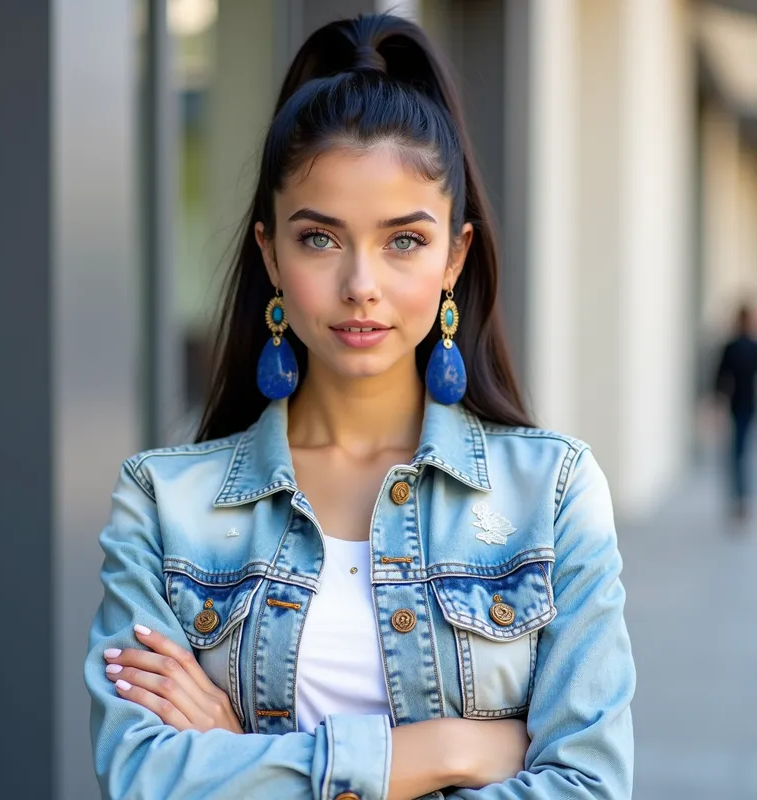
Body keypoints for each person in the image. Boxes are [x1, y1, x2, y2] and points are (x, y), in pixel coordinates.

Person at [85, 14, 635, 800]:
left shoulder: (552, 494)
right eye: (320, 239)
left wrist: (240, 759)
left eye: (404, 241)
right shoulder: (164, 503)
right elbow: (141, 777)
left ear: (456, 255)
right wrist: (440, 752)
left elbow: (587, 785)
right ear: (270, 252)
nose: (361, 285)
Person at [714, 304, 757, 519]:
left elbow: (720, 380)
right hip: (746, 405)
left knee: (737, 454)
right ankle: (741, 499)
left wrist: (717, 406)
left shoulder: (732, 347)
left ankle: (740, 500)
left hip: (738, 406)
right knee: (740, 454)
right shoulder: (749, 346)